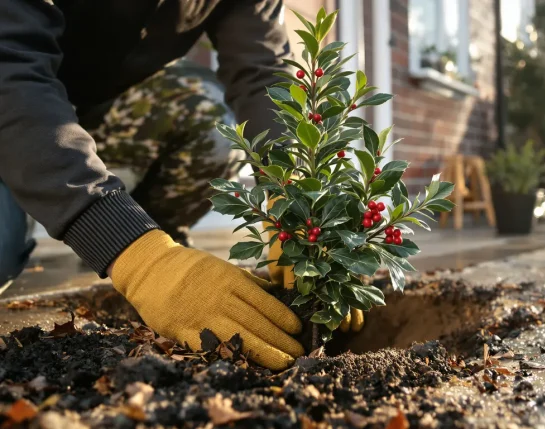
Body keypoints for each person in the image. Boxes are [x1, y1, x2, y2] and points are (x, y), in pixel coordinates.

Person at [0, 0, 354, 371]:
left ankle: (164, 253)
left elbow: (262, 72)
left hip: (97, 110)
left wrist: (293, 191)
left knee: (207, 114)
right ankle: (139, 253)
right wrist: (137, 259)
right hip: (15, 98)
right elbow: (10, 71)